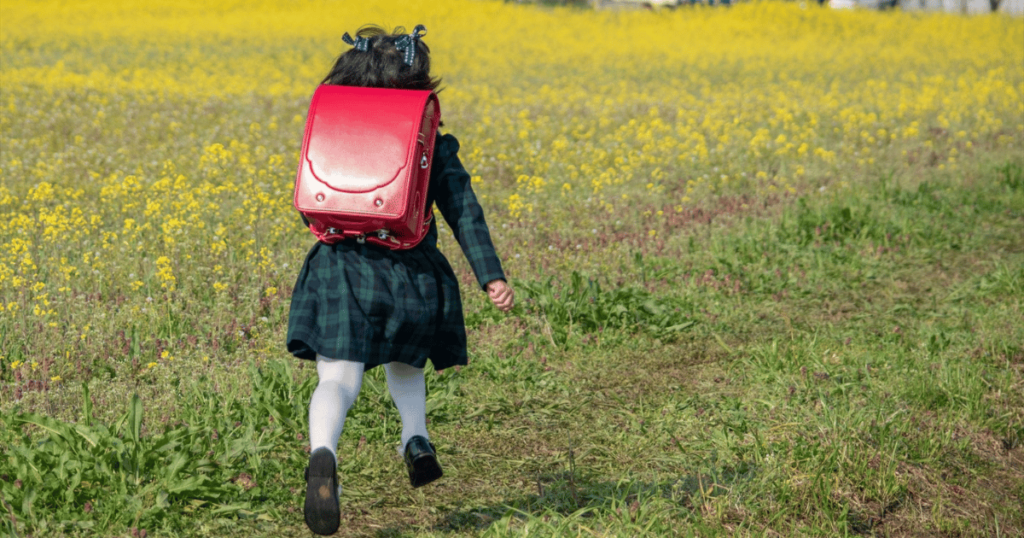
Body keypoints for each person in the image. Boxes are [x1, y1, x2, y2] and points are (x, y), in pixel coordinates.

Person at [285, 24, 515, 536]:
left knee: (337, 380)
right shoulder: (434, 140)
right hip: (411, 276)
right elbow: (464, 211)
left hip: (341, 270)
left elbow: (312, 202)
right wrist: (490, 275)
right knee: (407, 367)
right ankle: (415, 437)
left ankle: (323, 453)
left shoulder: (333, 129)